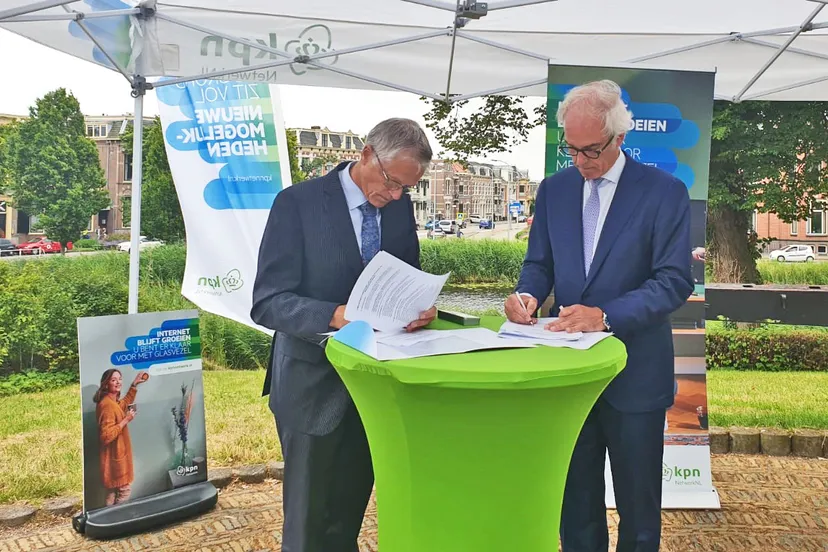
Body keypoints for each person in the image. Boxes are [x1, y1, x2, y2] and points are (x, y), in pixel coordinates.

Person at [504, 80, 693, 552]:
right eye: (572, 149)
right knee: (575, 503)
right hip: (568, 375)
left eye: (591, 150)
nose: (581, 161)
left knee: (639, 509)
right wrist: (526, 294)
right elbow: (539, 264)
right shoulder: (554, 190)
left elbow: (674, 280)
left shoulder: (664, 192)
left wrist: (605, 316)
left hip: (636, 373)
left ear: (620, 137)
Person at [251, 118, 438, 552]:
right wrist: (333, 315)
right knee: (308, 523)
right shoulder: (296, 204)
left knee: (347, 518)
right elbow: (268, 302)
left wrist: (418, 308)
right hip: (312, 386)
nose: (394, 196)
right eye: (392, 182)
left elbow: (403, 277)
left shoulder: (398, 207)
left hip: (374, 387)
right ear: (367, 154)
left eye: (405, 189)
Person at [93, 368, 150, 506]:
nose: (118, 382)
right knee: (124, 491)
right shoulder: (107, 405)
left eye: (119, 379)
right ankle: (118, 517)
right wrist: (126, 420)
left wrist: (134, 385)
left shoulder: (112, 401)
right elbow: (106, 436)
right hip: (114, 459)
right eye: (113, 380)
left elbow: (123, 404)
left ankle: (109, 519)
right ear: (106, 384)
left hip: (112, 458)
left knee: (111, 492)